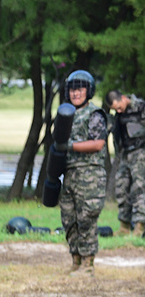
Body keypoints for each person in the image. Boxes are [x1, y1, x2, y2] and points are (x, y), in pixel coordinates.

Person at [60, 70, 108, 276]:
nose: (75, 93)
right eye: (72, 89)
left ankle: (88, 264)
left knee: (86, 220)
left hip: (90, 176)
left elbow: (98, 144)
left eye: (79, 89)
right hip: (70, 175)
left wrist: (70, 146)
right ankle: (76, 260)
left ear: (88, 91)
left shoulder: (94, 114)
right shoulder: (66, 114)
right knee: (69, 219)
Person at [104, 89, 145, 237]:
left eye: (119, 107)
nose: (119, 111)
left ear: (123, 98)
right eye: (115, 110)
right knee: (121, 187)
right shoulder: (119, 115)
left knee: (140, 189)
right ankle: (124, 226)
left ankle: (140, 227)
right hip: (125, 154)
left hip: (140, 153)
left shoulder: (140, 107)